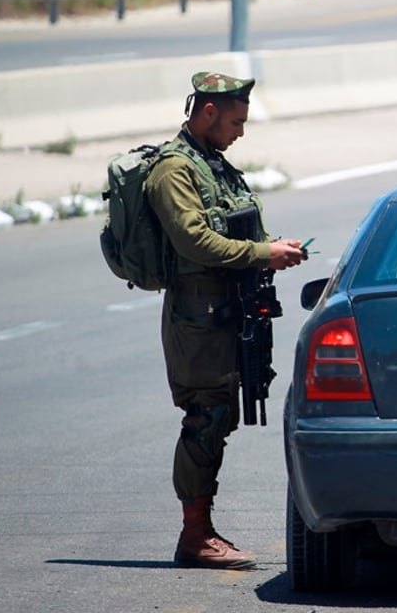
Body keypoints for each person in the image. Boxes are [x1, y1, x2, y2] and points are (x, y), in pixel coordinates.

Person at [146, 71, 306, 569]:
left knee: (221, 416)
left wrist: (272, 247)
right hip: (197, 317)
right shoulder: (174, 171)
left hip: (224, 311)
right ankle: (195, 536)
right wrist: (263, 253)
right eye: (236, 121)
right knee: (205, 418)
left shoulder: (213, 165)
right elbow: (194, 241)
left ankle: (201, 530)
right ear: (208, 112)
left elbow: (234, 226)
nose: (241, 131)